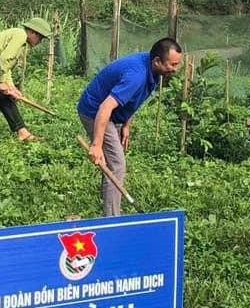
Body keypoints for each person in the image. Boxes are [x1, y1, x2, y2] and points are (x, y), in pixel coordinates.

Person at [78, 38, 183, 215]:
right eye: (172, 64)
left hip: (111, 114)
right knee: (117, 164)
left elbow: (134, 98)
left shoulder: (153, 70)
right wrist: (96, 145)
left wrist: (126, 124)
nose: (175, 69)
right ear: (157, 61)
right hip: (95, 112)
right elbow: (105, 107)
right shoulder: (137, 75)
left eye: (177, 64)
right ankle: (112, 219)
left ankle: (108, 200)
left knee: (113, 160)